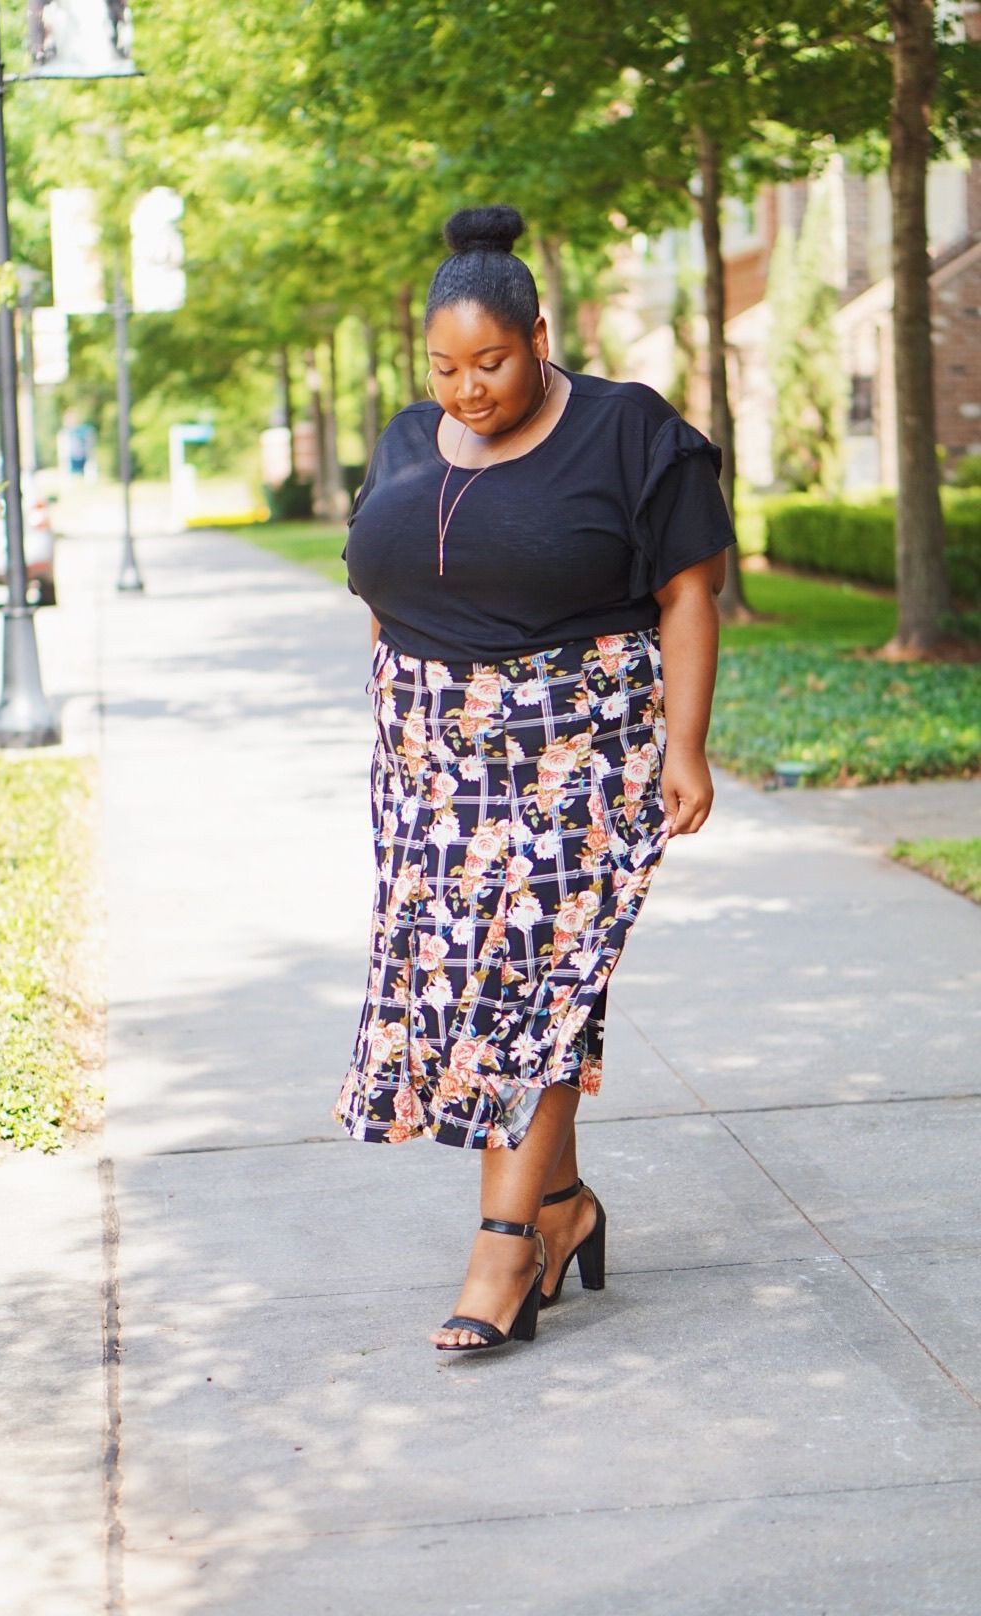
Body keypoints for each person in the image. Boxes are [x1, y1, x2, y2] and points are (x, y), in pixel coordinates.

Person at [334, 204, 736, 1353]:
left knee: (535, 989)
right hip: (430, 766)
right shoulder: (411, 439)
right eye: (446, 367)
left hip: (580, 750)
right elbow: (379, 584)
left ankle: (505, 1244)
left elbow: (689, 594)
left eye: (493, 362)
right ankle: (566, 1210)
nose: (468, 389)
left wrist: (686, 746)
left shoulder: (627, 428)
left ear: (541, 333)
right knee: (467, 995)